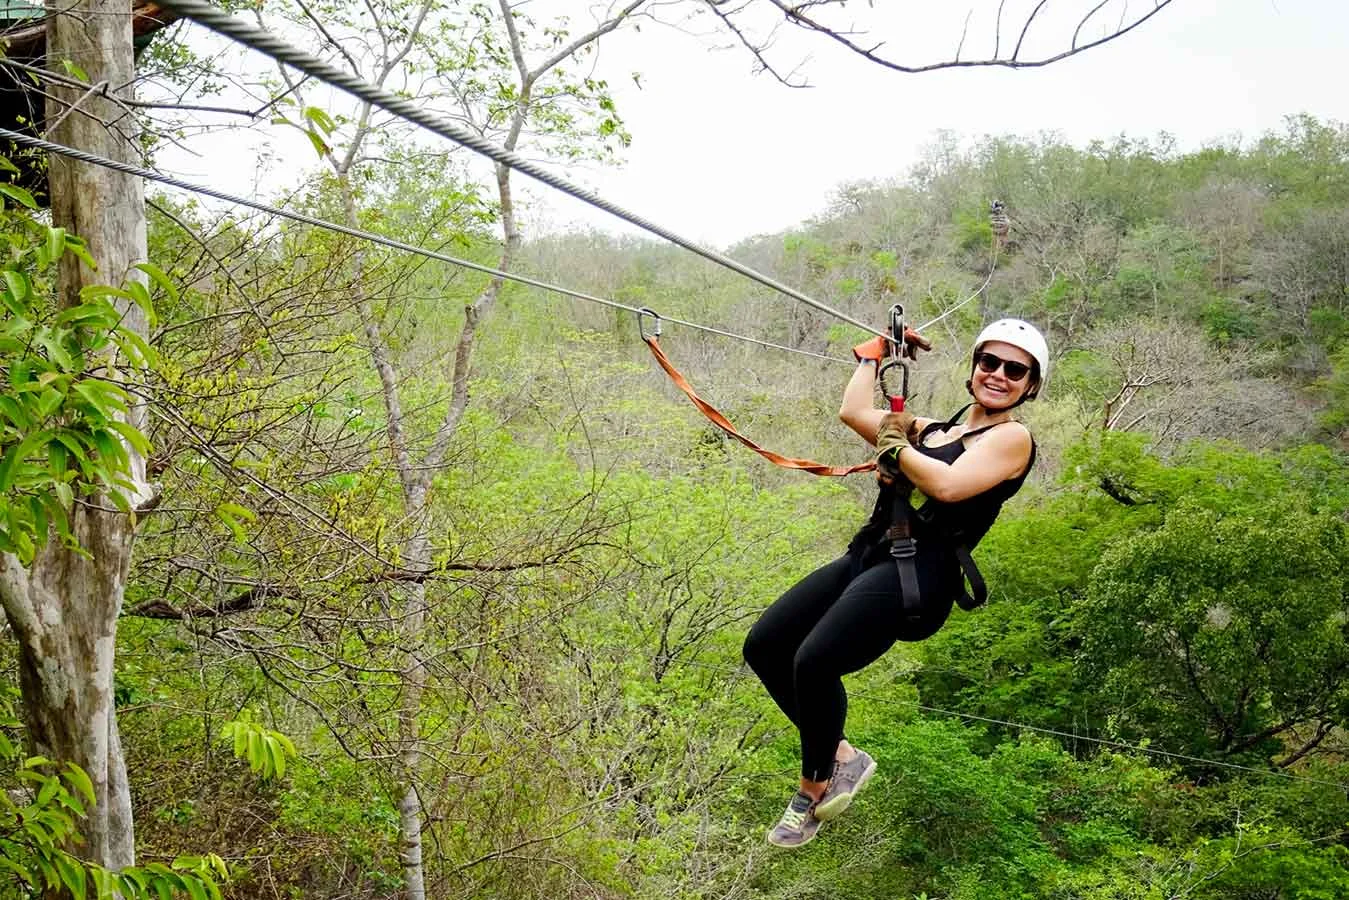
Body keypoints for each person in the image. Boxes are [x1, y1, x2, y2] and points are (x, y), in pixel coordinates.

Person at [742, 318, 1048, 848]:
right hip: (871, 552)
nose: (998, 375)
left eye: (1014, 369)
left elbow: (949, 486)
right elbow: (854, 411)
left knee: (813, 661)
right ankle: (842, 755)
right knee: (766, 646)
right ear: (974, 367)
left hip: (920, 573)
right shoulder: (930, 429)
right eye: (989, 362)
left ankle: (812, 787)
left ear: (1030, 384)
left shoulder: (1012, 438)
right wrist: (874, 354)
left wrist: (894, 448)